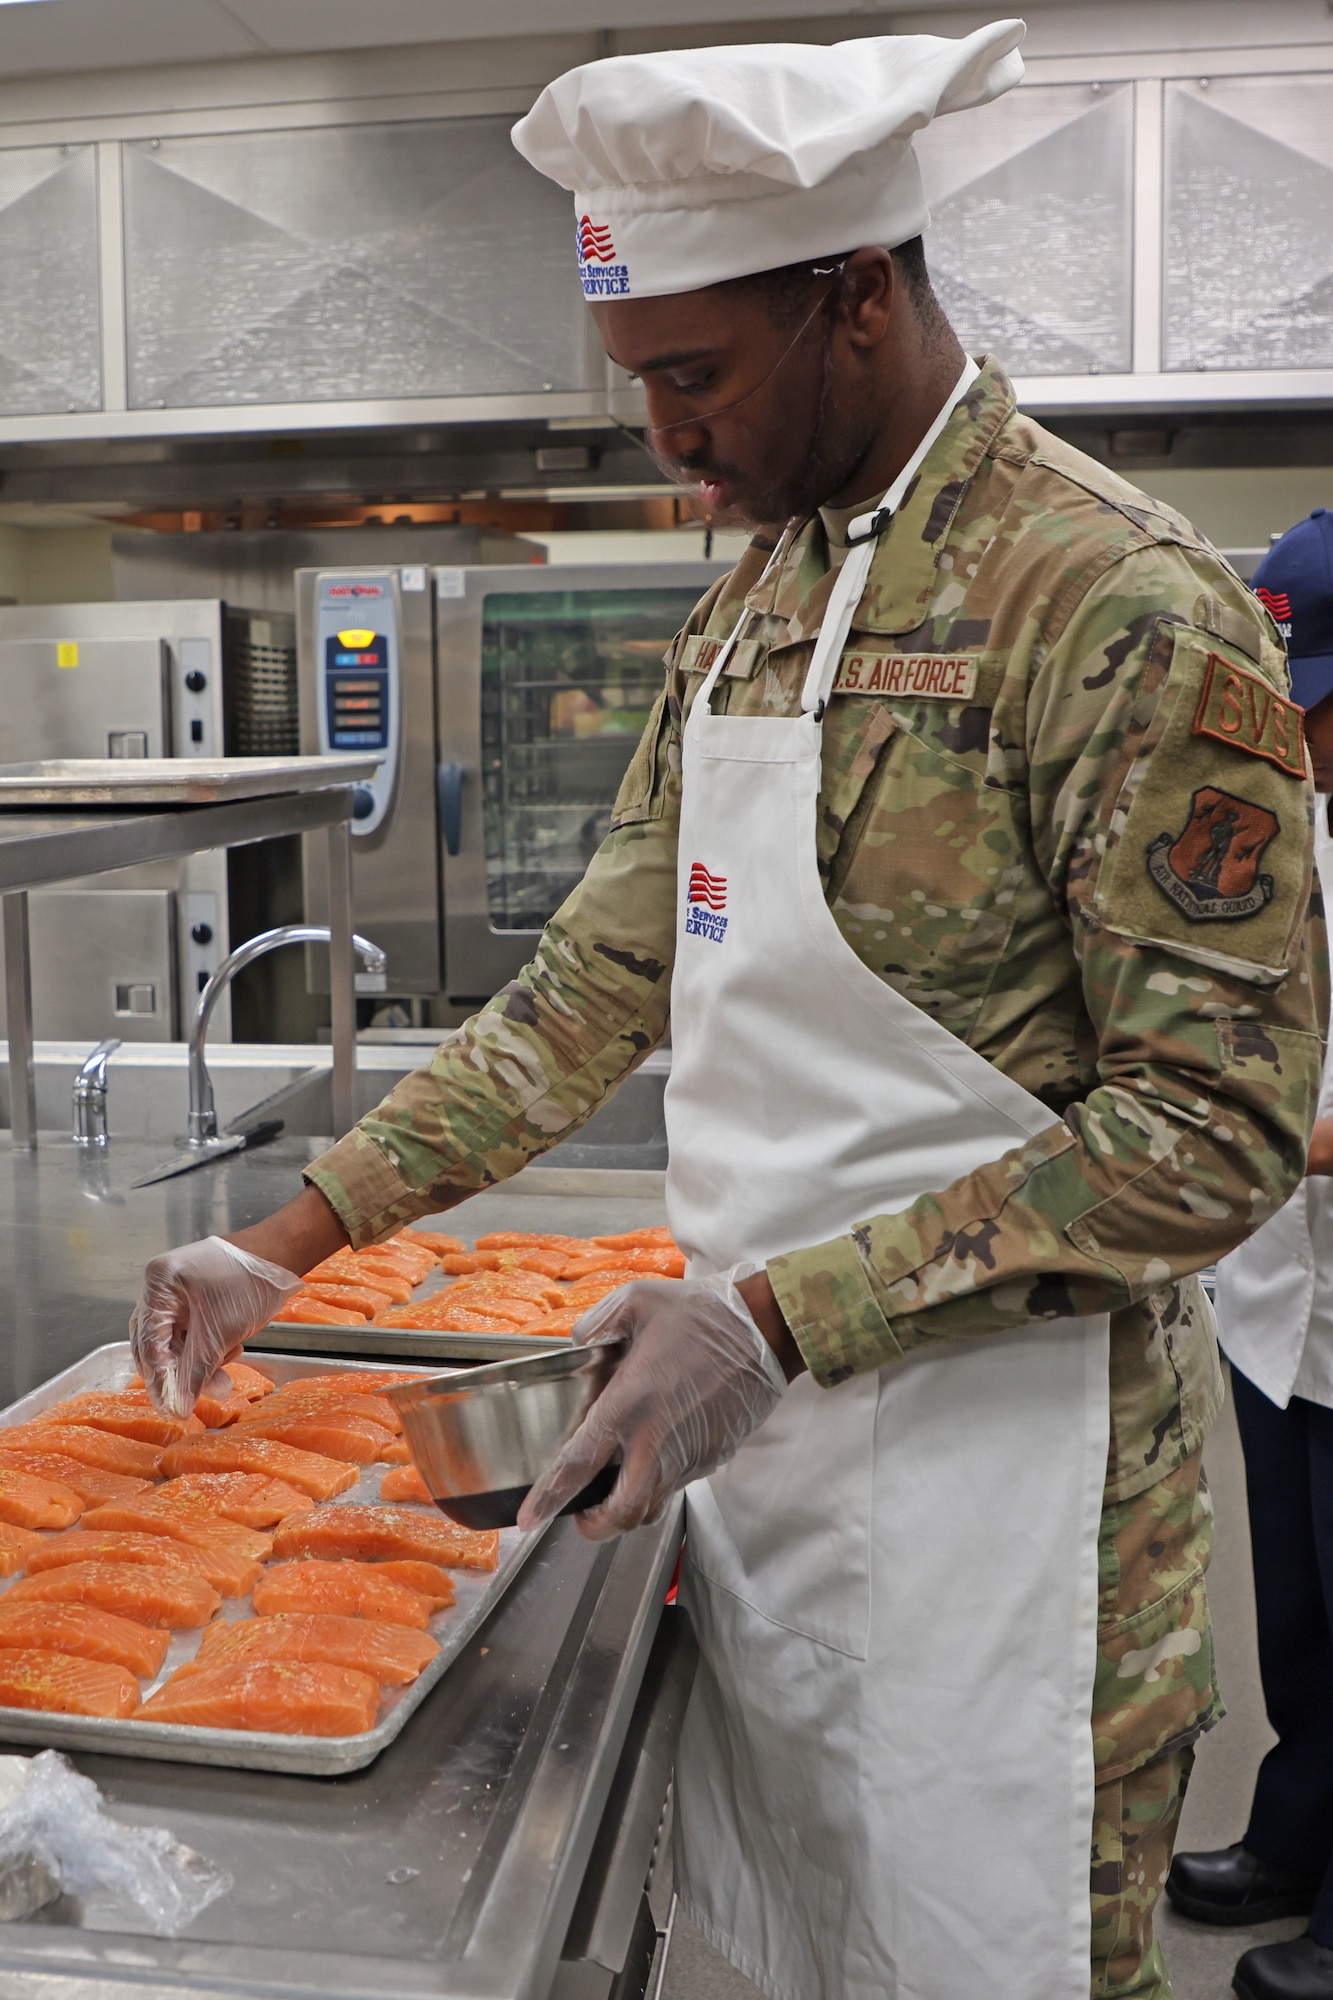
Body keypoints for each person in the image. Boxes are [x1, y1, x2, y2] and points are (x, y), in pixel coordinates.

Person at [129, 23, 1326, 1999]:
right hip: (759, 1490)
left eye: (696, 376)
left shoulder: (1110, 604)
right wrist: (286, 1236)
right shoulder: (754, 611)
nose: (667, 441)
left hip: (1011, 1532)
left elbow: (1208, 1126)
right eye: (641, 386)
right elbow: (597, 979)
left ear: (855, 296)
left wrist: (770, 1315)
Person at [1169, 509, 1333, 2000]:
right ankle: (1292, 1842)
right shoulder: (1291, 813)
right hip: (1281, 1306)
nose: (1297, 730)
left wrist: (1238, 1133)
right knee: (1296, 1613)